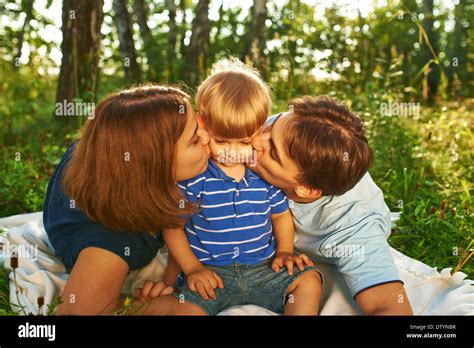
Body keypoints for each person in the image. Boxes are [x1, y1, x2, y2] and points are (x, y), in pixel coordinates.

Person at [138, 60, 322, 315]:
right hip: (211, 274)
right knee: (185, 310)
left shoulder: (263, 175)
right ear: (203, 125)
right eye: (221, 141)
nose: (233, 152)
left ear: (260, 131)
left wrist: (285, 252)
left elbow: (280, 216)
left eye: (244, 141)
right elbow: (173, 228)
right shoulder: (194, 178)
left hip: (264, 268)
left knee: (309, 280)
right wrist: (192, 268)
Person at [43, 85, 211, 315]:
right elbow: (77, 311)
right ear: (154, 163)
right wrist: (135, 304)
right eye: (194, 139)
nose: (207, 135)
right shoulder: (112, 245)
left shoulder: (132, 167)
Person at [249, 96, 413, 315]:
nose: (254, 139)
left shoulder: (351, 227)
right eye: (271, 126)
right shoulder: (284, 131)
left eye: (272, 152)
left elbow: (390, 307)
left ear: (306, 190)